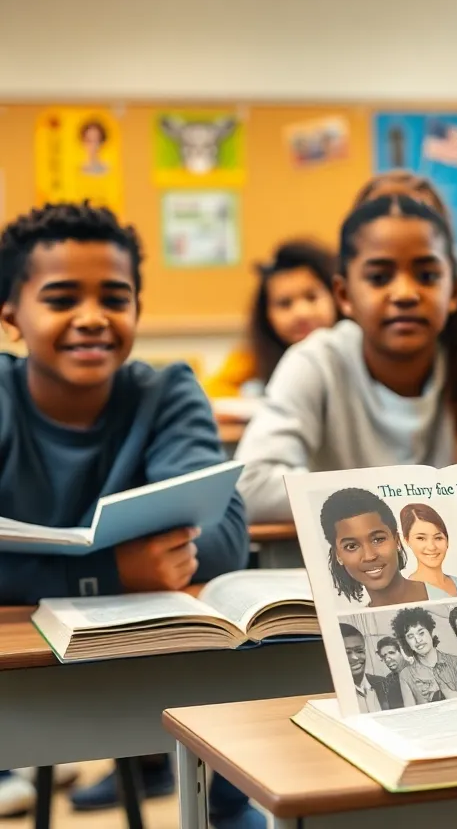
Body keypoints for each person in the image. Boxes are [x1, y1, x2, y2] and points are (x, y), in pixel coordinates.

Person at [0, 203, 254, 827]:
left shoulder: (167, 392)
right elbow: (159, 559)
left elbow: (222, 538)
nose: (92, 318)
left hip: (147, 658)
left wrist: (33, 571)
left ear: (138, 307)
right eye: (61, 299)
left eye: (115, 297)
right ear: (12, 317)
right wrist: (115, 570)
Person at [235, 194, 457, 523]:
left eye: (427, 276)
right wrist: (418, 501)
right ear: (344, 295)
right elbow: (251, 485)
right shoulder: (317, 362)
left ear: (453, 292)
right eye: (379, 278)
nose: (406, 294)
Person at [204, 240, 339, 398]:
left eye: (311, 297)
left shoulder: (357, 348)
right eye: (284, 304)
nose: (301, 313)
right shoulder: (253, 356)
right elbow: (212, 389)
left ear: (338, 296)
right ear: (266, 315)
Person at [321, 488, 428, 607]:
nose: (369, 556)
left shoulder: (446, 595)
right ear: (338, 555)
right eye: (351, 546)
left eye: (378, 540)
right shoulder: (356, 623)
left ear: (397, 540)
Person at [392, 607, 457, 702]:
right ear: (406, 642)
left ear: (432, 633)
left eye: (421, 633)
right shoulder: (406, 675)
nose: (418, 640)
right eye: (410, 636)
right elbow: (411, 713)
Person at [401, 502, 457, 598]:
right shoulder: (407, 594)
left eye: (438, 538)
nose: (431, 547)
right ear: (407, 540)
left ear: (447, 541)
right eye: (421, 538)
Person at [342, 624, 400, 713]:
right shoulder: (338, 694)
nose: (355, 657)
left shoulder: (384, 684)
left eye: (359, 651)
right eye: (347, 653)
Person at [376, 636, 411, 708]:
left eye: (391, 653)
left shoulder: (416, 671)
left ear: (401, 652)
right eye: (384, 656)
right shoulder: (388, 681)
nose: (387, 659)